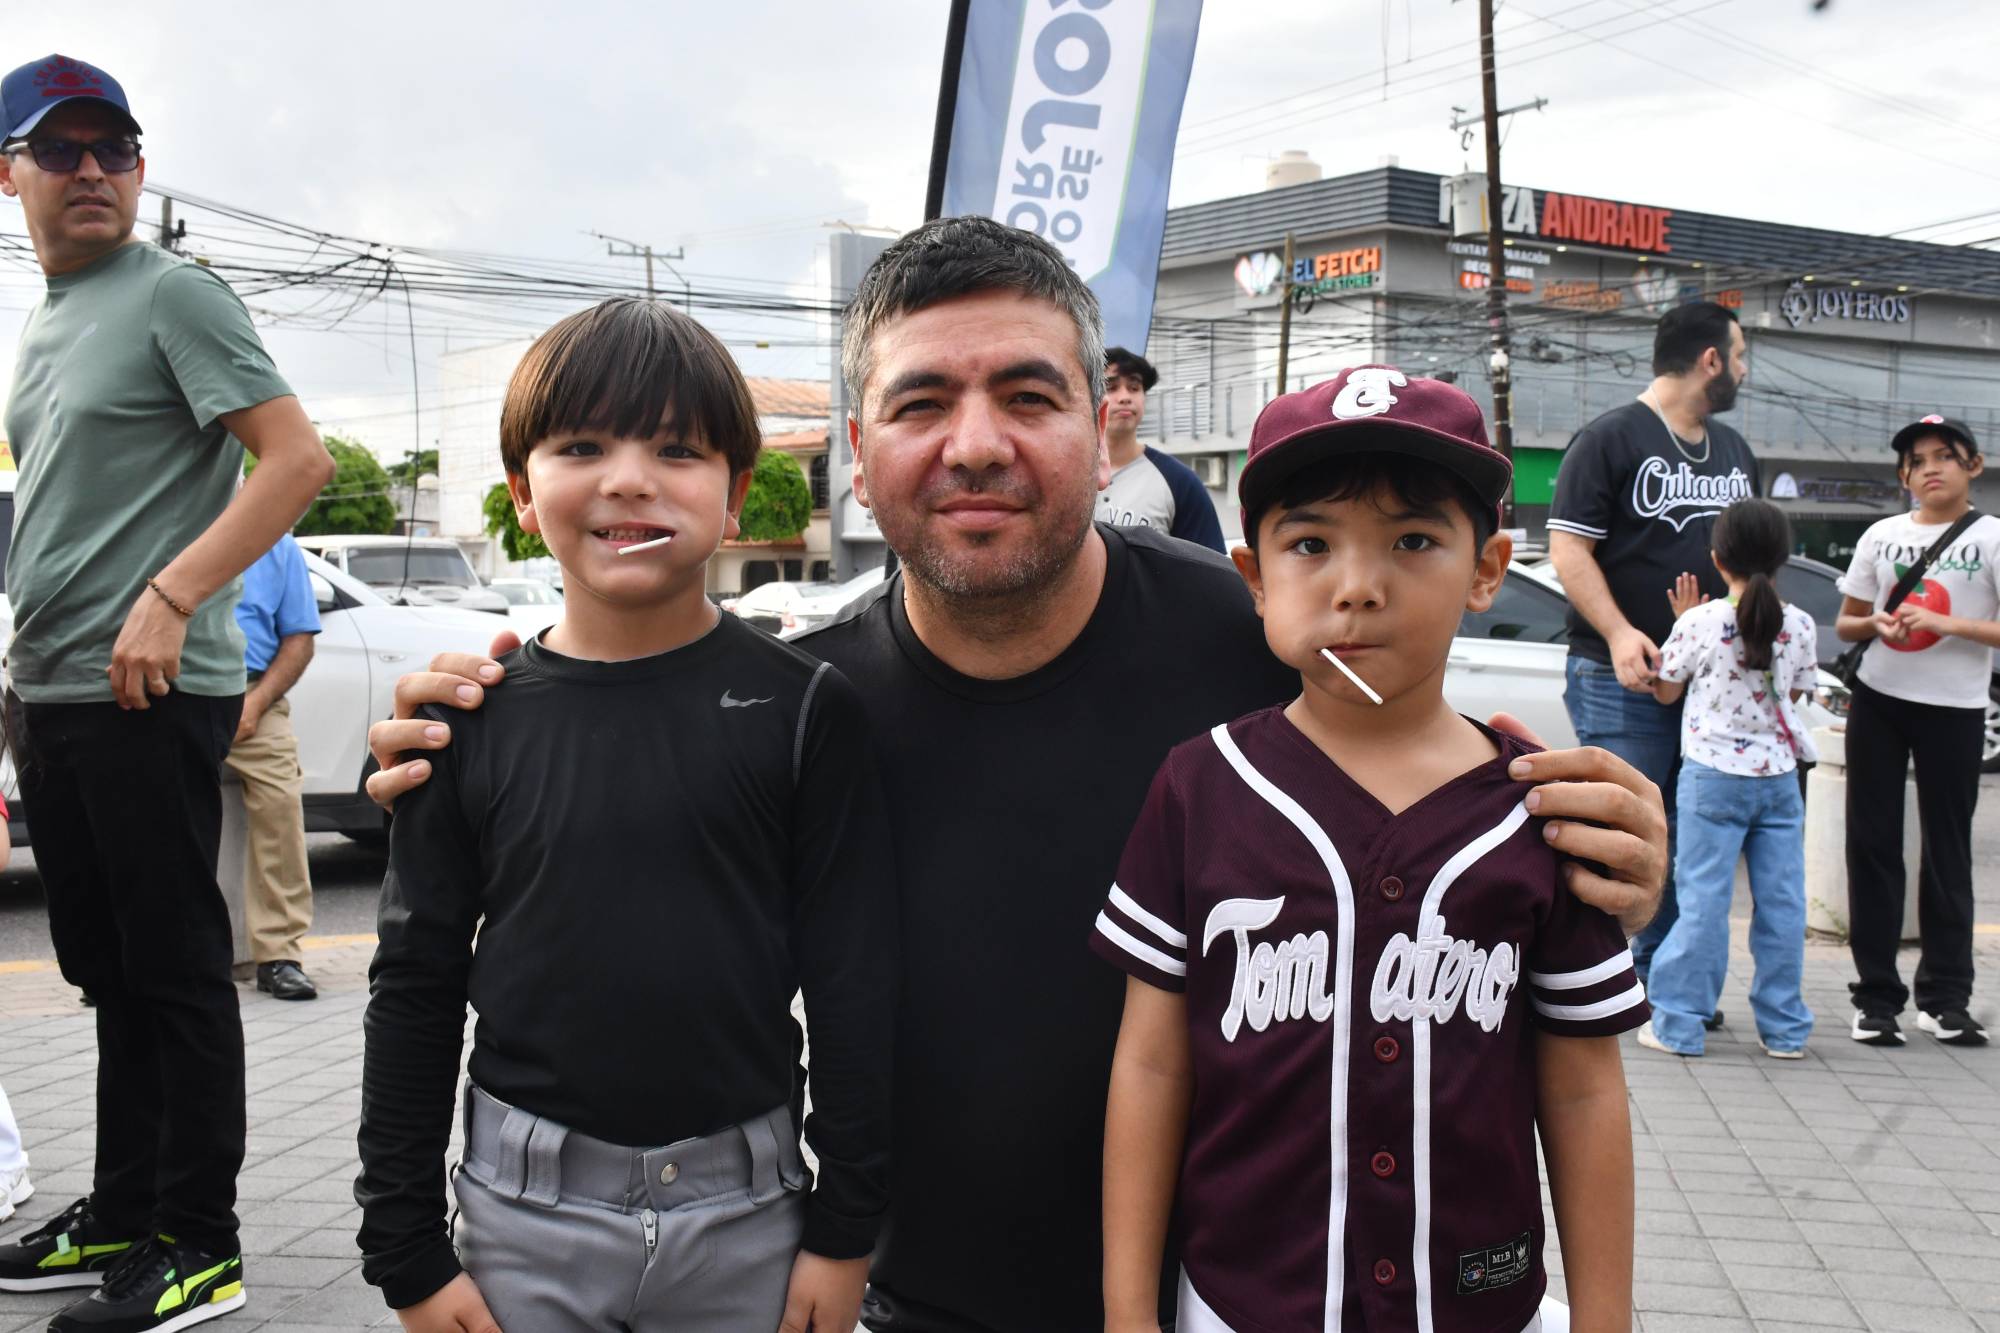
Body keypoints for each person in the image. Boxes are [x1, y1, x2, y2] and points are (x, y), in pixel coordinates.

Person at [362, 217, 1670, 1333]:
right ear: (858, 452)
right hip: (907, 1300)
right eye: (922, 403)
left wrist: (1606, 834)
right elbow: (596, 908)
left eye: (1028, 398)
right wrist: (480, 729)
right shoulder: (794, 714)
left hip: (1239, 1298)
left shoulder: (1258, 644)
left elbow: (1452, 803)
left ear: (1103, 431)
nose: (976, 443)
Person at [354, 298, 896, 1333]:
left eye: (677, 449)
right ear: (522, 491)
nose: (630, 478)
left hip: (751, 1214)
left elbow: (854, 984)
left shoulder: (803, 710)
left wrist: (844, 1227)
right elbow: (415, 983)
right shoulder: (460, 723)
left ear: (736, 494)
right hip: (520, 1216)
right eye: (582, 446)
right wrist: (405, 1250)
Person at [1098, 368, 1644, 1333]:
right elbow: (1151, 1067)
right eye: (1310, 544)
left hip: (1484, 1308)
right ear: (1255, 577)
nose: (1358, 586)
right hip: (1239, 1306)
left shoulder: (1542, 807)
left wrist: (1607, 1319)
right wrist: (1129, 1313)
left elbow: (1584, 1088)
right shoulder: (1198, 787)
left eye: (1414, 540)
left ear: (1487, 570)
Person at [0, 54, 333, 1332]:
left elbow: (293, 459)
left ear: (139, 169)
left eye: (116, 149)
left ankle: (200, 1243)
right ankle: (123, 1210)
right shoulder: (51, 319)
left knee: (179, 971)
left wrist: (176, 592)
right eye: (61, 148)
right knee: (110, 972)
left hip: (148, 690)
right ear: (11, 174)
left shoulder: (171, 293)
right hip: (58, 691)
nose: (93, 169)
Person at [1548, 301, 1758, 990]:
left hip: (1710, 686)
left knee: (1688, 835)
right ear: (1710, 360)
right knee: (1628, 829)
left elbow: (1750, 565)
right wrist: (1617, 632)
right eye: (1740, 355)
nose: (1744, 369)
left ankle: (1659, 978)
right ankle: (1598, 977)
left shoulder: (1734, 450)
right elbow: (1568, 548)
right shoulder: (1609, 439)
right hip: (1624, 677)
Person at [1836, 416, 1997, 1048]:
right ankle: (1876, 1000)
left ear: (1973, 466)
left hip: (1956, 709)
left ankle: (1946, 1000)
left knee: (1947, 852)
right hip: (1879, 700)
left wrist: (1945, 622)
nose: (1931, 469)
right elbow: (1847, 622)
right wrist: (1877, 623)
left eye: (1945, 456)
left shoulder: (1990, 537)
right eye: (1918, 460)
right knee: (1872, 848)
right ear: (1904, 476)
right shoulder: (1882, 535)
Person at [1637, 499, 1817, 1060]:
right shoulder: (1800, 624)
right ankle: (1784, 1030)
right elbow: (1793, 695)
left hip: (1712, 778)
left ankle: (1679, 1025)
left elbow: (1666, 691)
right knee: (1783, 905)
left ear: (1717, 558)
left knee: (1704, 903)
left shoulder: (1700, 622)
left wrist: (1679, 623)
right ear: (1783, 557)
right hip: (1780, 780)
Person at [224, 533, 322, 1002]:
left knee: (280, 804)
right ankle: (131, 953)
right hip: (171, 692)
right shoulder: (166, 519)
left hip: (253, 695)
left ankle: (280, 954)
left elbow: (299, 639)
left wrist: (256, 703)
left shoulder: (278, 545)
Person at [1096, 346, 1227, 552]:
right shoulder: (1068, 474)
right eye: (1111, 387)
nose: (1125, 397)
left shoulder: (1180, 481)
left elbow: (1210, 563)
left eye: (1134, 387)